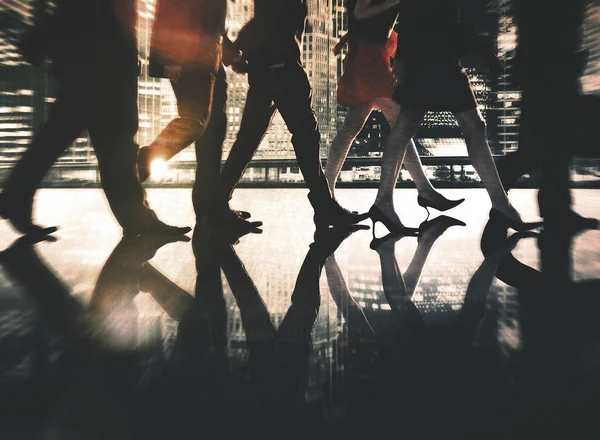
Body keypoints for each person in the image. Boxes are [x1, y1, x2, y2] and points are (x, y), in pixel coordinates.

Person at [0, 0, 190, 237]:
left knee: (61, 141)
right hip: (102, 70)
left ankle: (14, 199)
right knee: (114, 149)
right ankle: (138, 220)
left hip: (96, 68)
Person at [371, 0, 540, 232]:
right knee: (463, 127)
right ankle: (501, 205)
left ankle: (384, 203)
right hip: (432, 58)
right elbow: (418, 11)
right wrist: (402, 56)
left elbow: (446, 20)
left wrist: (483, 52)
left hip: (434, 56)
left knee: (408, 128)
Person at [211, 0, 368, 229]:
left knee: (249, 138)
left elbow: (264, 18)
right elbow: (270, 19)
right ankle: (324, 207)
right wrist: (234, 51)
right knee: (306, 134)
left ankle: (218, 204)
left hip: (265, 69)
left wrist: (235, 51)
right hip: (282, 68)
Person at [325, 0, 464, 232]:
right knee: (400, 125)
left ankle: (325, 192)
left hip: (372, 52)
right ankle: (422, 192)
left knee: (353, 126)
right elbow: (360, 11)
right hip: (370, 57)